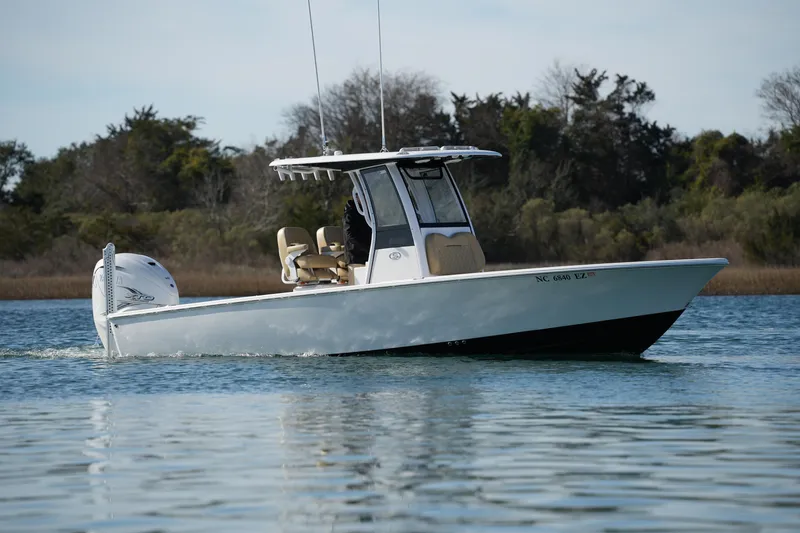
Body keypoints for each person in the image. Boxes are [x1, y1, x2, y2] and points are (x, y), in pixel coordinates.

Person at [343, 196, 371, 264]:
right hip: (355, 256)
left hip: (368, 254)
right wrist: (365, 248)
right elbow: (350, 235)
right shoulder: (350, 213)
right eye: (363, 195)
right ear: (356, 197)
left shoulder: (367, 212)